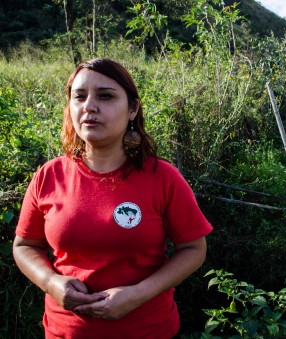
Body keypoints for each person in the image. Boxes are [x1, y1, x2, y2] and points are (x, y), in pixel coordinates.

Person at [12, 58, 213, 338]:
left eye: (105, 96)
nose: (89, 107)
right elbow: (24, 246)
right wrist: (50, 282)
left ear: (133, 109)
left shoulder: (162, 177)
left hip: (148, 330)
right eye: (79, 96)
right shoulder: (49, 175)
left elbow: (193, 249)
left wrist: (137, 295)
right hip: (64, 332)